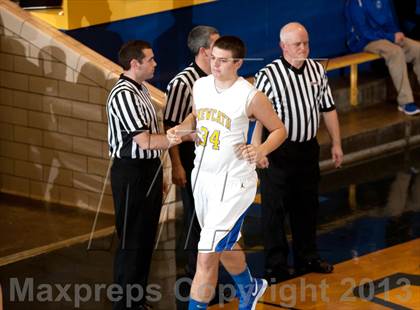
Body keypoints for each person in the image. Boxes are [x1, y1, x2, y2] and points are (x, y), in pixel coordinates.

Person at [168, 36, 287, 309]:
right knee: (221, 246)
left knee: (206, 256)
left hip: (234, 183)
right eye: (213, 58)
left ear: (238, 63)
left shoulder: (250, 95)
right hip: (203, 177)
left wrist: (262, 150)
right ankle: (250, 286)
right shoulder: (200, 86)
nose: (216, 64)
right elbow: (196, 117)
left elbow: (280, 129)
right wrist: (182, 129)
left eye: (223, 61)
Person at [253, 22, 344, 281]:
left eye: (306, 43)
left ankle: (307, 256)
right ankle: (276, 266)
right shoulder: (268, 75)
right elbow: (257, 116)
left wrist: (336, 143)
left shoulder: (317, 69)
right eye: (297, 44)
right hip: (278, 151)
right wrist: (259, 149)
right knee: (275, 209)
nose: (303, 48)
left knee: (307, 205)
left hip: (307, 149)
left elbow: (328, 108)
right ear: (283, 46)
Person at [106, 40, 179, 310]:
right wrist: (181, 136)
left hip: (147, 170)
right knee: (132, 240)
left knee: (146, 238)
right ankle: (125, 303)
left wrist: (159, 173)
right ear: (135, 64)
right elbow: (146, 141)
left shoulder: (142, 90)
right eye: (150, 59)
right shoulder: (124, 94)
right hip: (131, 173)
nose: (155, 63)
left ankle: (137, 299)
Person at [164, 25, 219, 280]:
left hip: (214, 157)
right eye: (216, 45)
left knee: (213, 215)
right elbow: (170, 126)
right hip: (190, 157)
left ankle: (209, 265)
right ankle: (193, 269)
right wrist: (176, 165)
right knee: (195, 215)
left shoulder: (218, 78)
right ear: (204, 51)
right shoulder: (182, 82)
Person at [345, 0, 420, 116]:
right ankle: (405, 102)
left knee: (417, 48)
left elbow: (390, 22)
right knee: (395, 52)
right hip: (364, 41)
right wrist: (390, 36)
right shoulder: (355, 3)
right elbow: (364, 32)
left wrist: (396, 33)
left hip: (386, 38)